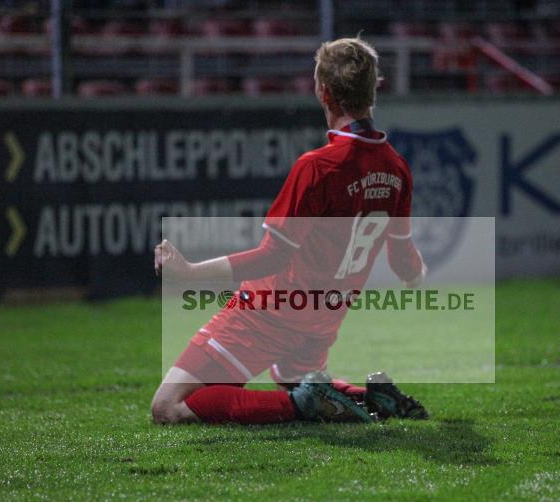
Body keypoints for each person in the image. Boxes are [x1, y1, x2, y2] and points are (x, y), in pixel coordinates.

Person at [151, 36, 428, 425]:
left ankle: (304, 406)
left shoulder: (319, 166)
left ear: (323, 93)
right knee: (294, 380)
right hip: (324, 318)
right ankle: (373, 399)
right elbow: (402, 257)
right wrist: (417, 278)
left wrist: (189, 273)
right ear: (372, 92)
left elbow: (273, 255)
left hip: (270, 314)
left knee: (169, 407)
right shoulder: (396, 167)